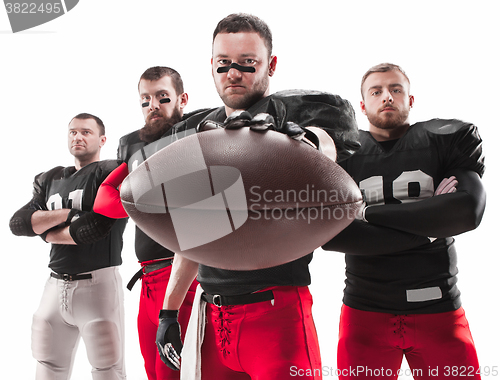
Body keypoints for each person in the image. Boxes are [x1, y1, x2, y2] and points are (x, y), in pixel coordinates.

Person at [154, 13, 360, 380]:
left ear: (271, 64)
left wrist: (301, 145)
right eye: (223, 64)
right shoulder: (201, 130)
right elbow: (193, 230)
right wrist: (169, 310)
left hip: (276, 310)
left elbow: (327, 143)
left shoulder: (288, 114)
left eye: (248, 64)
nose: (234, 73)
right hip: (212, 314)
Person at [322, 63, 486, 379]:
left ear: (410, 100)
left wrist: (366, 213)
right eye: (377, 91)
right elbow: (329, 236)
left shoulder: (444, 138)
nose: (387, 97)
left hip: (438, 310)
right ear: (362, 105)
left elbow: (468, 211)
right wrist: (431, 223)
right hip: (364, 311)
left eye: (396, 89)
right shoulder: (342, 154)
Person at [93, 66, 207, 380]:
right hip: (146, 277)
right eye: (145, 99)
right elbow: (104, 199)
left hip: (182, 273)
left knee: (174, 371)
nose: (152, 105)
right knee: (153, 372)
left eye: (162, 97)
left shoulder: (197, 129)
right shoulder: (132, 143)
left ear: (182, 99)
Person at [9, 113, 128, 380]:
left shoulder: (110, 171)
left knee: (108, 368)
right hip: (54, 286)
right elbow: (18, 223)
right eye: (73, 132)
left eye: (86, 132)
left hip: (98, 285)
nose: (78, 136)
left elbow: (92, 229)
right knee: (47, 364)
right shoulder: (49, 178)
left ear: (102, 139)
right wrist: (69, 215)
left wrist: (47, 230)